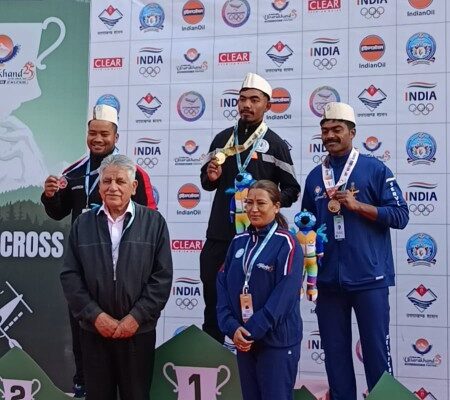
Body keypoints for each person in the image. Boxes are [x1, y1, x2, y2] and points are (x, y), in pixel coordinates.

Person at [41, 104, 156, 397]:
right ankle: (83, 384)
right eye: (93, 133)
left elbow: (150, 221)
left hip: (126, 275)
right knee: (84, 334)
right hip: (87, 269)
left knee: (130, 357)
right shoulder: (73, 173)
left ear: (116, 136)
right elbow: (58, 212)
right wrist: (50, 196)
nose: (98, 139)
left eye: (104, 133)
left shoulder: (133, 173)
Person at [301, 102, 409, 399]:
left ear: (352, 132)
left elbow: (401, 215)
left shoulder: (375, 169)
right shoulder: (315, 176)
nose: (330, 136)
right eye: (325, 131)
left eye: (337, 129)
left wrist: (358, 206)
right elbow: (307, 225)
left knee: (376, 356)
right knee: (335, 358)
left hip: (369, 279)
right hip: (327, 283)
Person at [60, 154, 172, 400]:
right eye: (107, 181)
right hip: (94, 333)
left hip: (137, 334)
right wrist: (96, 316)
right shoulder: (82, 224)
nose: (112, 187)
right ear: (99, 187)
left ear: (133, 187)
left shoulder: (154, 223)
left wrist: (135, 318)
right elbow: (70, 276)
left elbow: (162, 278)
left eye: (120, 181)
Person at [201, 72, 300, 343]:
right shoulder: (222, 139)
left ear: (268, 105)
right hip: (221, 235)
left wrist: (268, 203)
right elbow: (206, 183)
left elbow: (292, 189)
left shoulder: (275, 144)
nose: (247, 105)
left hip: (260, 241)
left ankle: (253, 357)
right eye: (242, 99)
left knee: (256, 303)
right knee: (214, 302)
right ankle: (214, 360)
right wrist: (211, 177)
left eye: (254, 100)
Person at [217, 180, 303, 400]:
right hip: (245, 341)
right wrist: (231, 327)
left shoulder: (287, 243)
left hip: (276, 343)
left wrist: (252, 330)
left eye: (261, 203)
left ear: (276, 206)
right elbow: (222, 284)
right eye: (249, 203)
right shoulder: (238, 241)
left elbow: (285, 294)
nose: (253, 209)